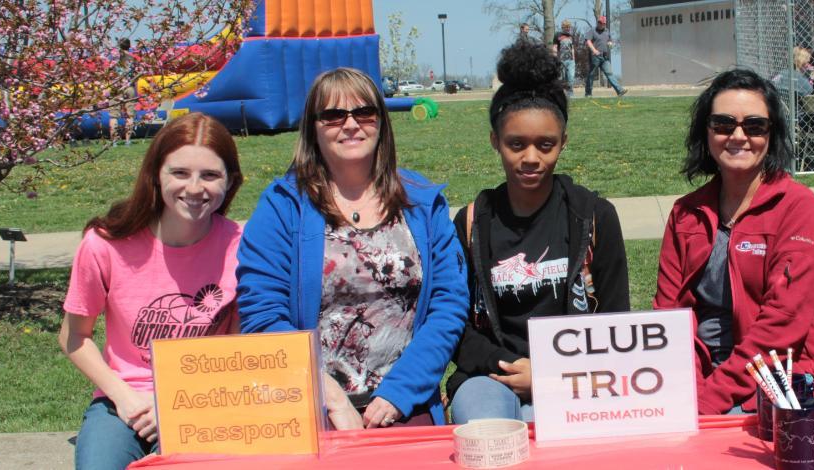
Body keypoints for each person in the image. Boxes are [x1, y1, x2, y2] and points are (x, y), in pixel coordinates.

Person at [237, 68, 468, 429]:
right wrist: (328, 397)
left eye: (364, 112)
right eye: (332, 115)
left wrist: (399, 393)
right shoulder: (283, 207)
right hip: (311, 405)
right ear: (312, 127)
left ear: (381, 122)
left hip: (404, 404)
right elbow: (263, 317)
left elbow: (448, 305)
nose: (350, 124)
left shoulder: (422, 203)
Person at [447, 41, 630, 423]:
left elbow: (615, 322)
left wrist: (550, 374)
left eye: (545, 145)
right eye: (516, 144)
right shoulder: (471, 222)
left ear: (563, 143)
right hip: (492, 373)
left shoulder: (594, 217)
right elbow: (456, 327)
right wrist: (515, 367)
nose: (531, 158)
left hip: (577, 376)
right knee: (488, 433)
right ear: (495, 141)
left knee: (551, 434)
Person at [60, 112, 245, 470]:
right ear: (155, 175)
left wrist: (181, 407)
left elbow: (239, 346)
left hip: (210, 399)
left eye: (210, 175)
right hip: (124, 400)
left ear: (230, 181)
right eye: (179, 173)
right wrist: (125, 398)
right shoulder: (104, 244)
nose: (194, 188)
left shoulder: (242, 247)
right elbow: (73, 337)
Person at [654, 69, 814, 415]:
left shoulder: (796, 206)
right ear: (705, 132)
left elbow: (782, 323)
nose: (738, 136)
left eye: (754, 126)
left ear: (771, 133)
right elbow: (669, 316)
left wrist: (708, 401)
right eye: (723, 124)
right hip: (698, 382)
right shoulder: (685, 213)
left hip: (775, 382)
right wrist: (689, 390)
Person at [584, 15, 627, 98]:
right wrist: (594, 50)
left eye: (602, 23)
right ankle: (588, 93)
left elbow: (610, 40)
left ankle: (619, 91)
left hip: (604, 57)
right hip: (595, 56)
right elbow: (588, 41)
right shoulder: (592, 31)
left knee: (609, 73)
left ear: (605, 24)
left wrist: (610, 43)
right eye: (599, 22)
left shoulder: (607, 31)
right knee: (591, 75)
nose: (600, 24)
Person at [109, 38, 137, 146]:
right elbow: (136, 74)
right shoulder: (132, 58)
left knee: (113, 116)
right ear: (129, 46)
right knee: (130, 116)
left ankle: (114, 142)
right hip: (129, 86)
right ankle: (127, 141)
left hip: (116, 87)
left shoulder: (114, 58)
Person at [553, 20, 577, 97]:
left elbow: (572, 48)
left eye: (569, 27)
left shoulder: (570, 36)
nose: (568, 28)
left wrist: (574, 59)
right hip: (561, 60)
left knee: (571, 77)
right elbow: (555, 47)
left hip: (570, 61)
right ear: (563, 27)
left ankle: (570, 95)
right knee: (561, 78)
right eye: (567, 27)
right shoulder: (557, 35)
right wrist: (555, 58)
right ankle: (561, 95)